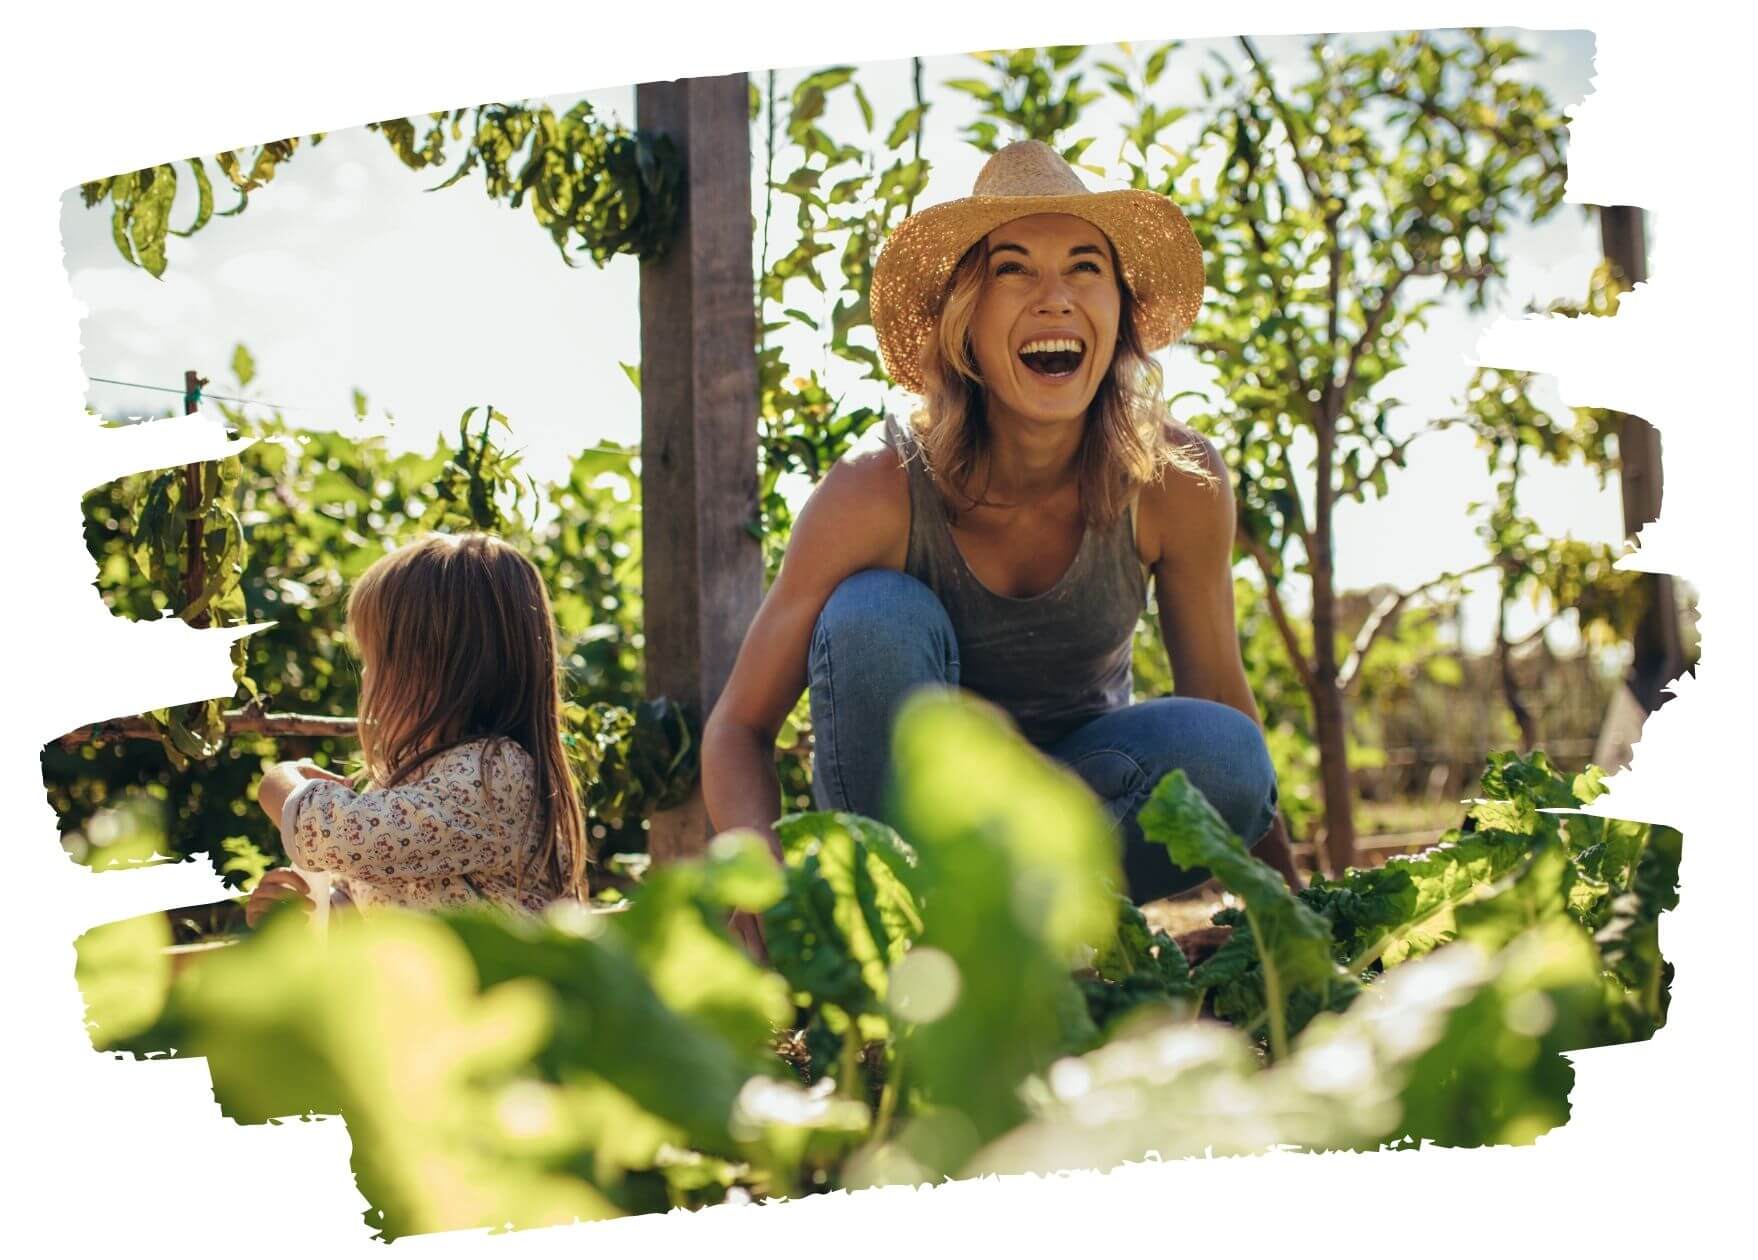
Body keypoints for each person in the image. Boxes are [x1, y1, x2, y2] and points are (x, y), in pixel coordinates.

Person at [702, 139, 1302, 959]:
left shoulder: (1175, 481)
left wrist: (1294, 918)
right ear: (965, 326)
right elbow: (737, 726)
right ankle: (910, 946)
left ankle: (1025, 935)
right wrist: (753, 856)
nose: (1055, 297)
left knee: (1230, 751)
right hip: (901, 838)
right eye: (1014, 270)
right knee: (874, 612)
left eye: (1086, 267)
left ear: (1119, 315)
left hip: (1080, 809)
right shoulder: (874, 492)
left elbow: (1223, 701)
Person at [245, 533, 587, 926]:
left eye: (373, 659)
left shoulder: (493, 774)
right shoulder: (407, 778)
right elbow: (376, 896)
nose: (368, 676)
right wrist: (309, 909)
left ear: (429, 668)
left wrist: (279, 783)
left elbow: (343, 836)